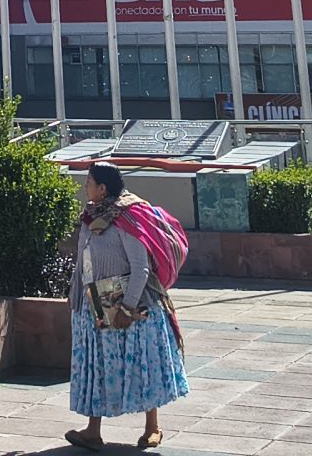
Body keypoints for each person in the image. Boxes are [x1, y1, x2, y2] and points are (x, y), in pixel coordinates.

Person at [67, 164, 188, 451]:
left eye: (89, 183)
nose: (86, 188)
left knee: (141, 364)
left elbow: (140, 268)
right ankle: (92, 431)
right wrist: (76, 299)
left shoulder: (128, 219)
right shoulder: (90, 217)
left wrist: (127, 308)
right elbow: (83, 261)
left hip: (131, 308)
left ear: (103, 189)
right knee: (97, 366)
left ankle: (153, 427)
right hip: (96, 304)